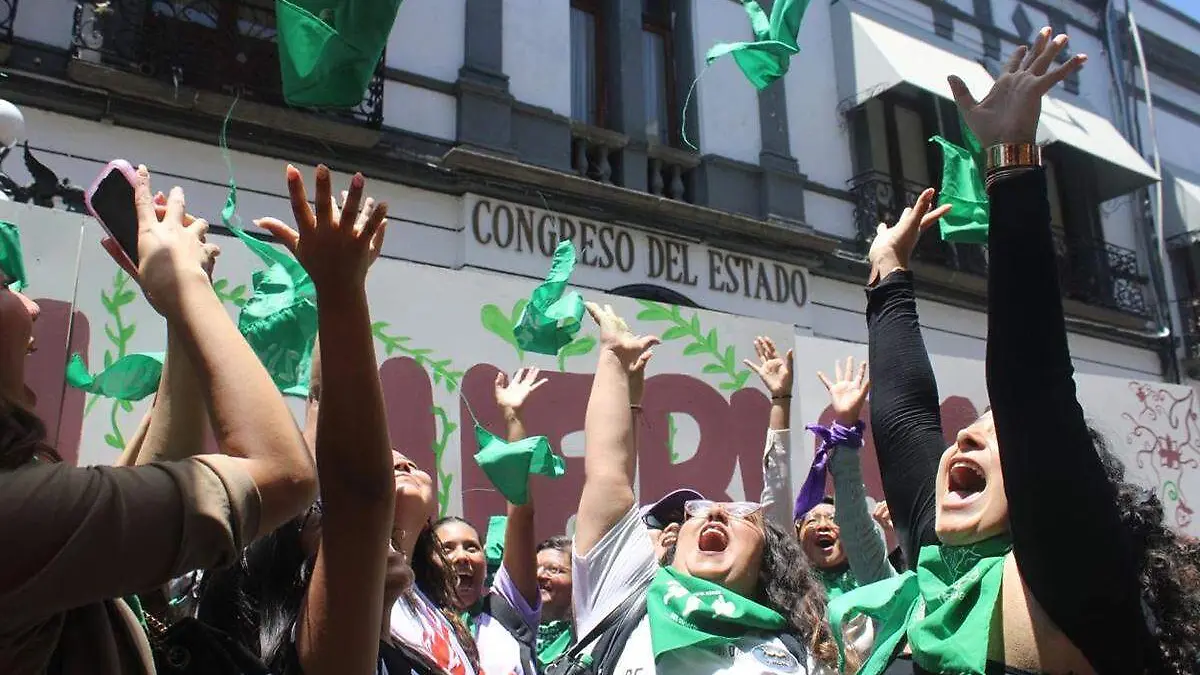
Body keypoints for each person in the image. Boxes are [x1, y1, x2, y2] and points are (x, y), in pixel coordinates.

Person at [831, 28, 1200, 675]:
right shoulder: (938, 571)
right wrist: (887, 271)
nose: (962, 441)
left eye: (991, 434)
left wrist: (1010, 160)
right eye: (965, 433)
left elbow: (1031, 387)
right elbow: (906, 417)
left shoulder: (1074, 580)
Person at [0, 166, 318, 673]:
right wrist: (191, 291)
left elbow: (154, 485)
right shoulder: (20, 514)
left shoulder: (31, 506)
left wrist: (182, 312)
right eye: (3, 284)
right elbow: (280, 475)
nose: (31, 306)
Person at [570, 302, 839, 674]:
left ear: (768, 558)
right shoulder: (621, 598)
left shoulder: (801, 653)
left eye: (741, 515)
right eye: (694, 513)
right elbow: (607, 475)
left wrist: (781, 403)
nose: (715, 512)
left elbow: (775, 495)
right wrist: (613, 357)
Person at [429, 367, 546, 675]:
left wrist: (513, 418)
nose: (462, 557)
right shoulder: (412, 619)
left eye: (471, 547)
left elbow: (521, 514)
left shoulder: (507, 608)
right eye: (447, 548)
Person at [534, 536, 573, 666]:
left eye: (553, 569)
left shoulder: (586, 638)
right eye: (533, 568)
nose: (539, 575)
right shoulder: (508, 630)